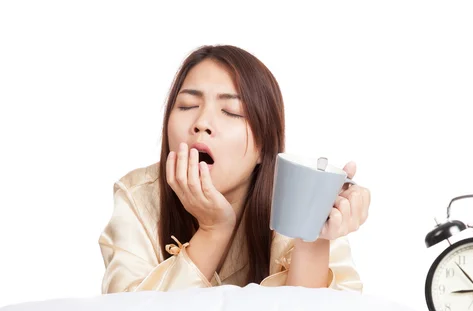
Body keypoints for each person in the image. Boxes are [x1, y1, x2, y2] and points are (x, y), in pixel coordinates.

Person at [99, 45, 371, 294]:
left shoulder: (296, 197)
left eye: (231, 111)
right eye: (187, 106)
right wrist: (213, 230)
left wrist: (314, 236)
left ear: (264, 146)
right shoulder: (138, 196)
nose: (201, 122)